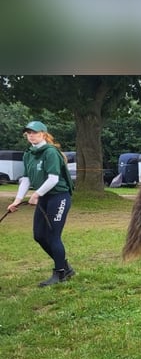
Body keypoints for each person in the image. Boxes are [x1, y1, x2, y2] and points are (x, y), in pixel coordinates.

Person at [6, 121, 76, 287]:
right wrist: (17, 200)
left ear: (43, 134)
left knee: (53, 236)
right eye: (28, 133)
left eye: (35, 132)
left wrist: (37, 194)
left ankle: (59, 274)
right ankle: (65, 267)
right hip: (45, 198)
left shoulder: (50, 152)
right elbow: (26, 179)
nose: (31, 135)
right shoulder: (28, 154)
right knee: (39, 235)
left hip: (59, 197)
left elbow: (53, 179)